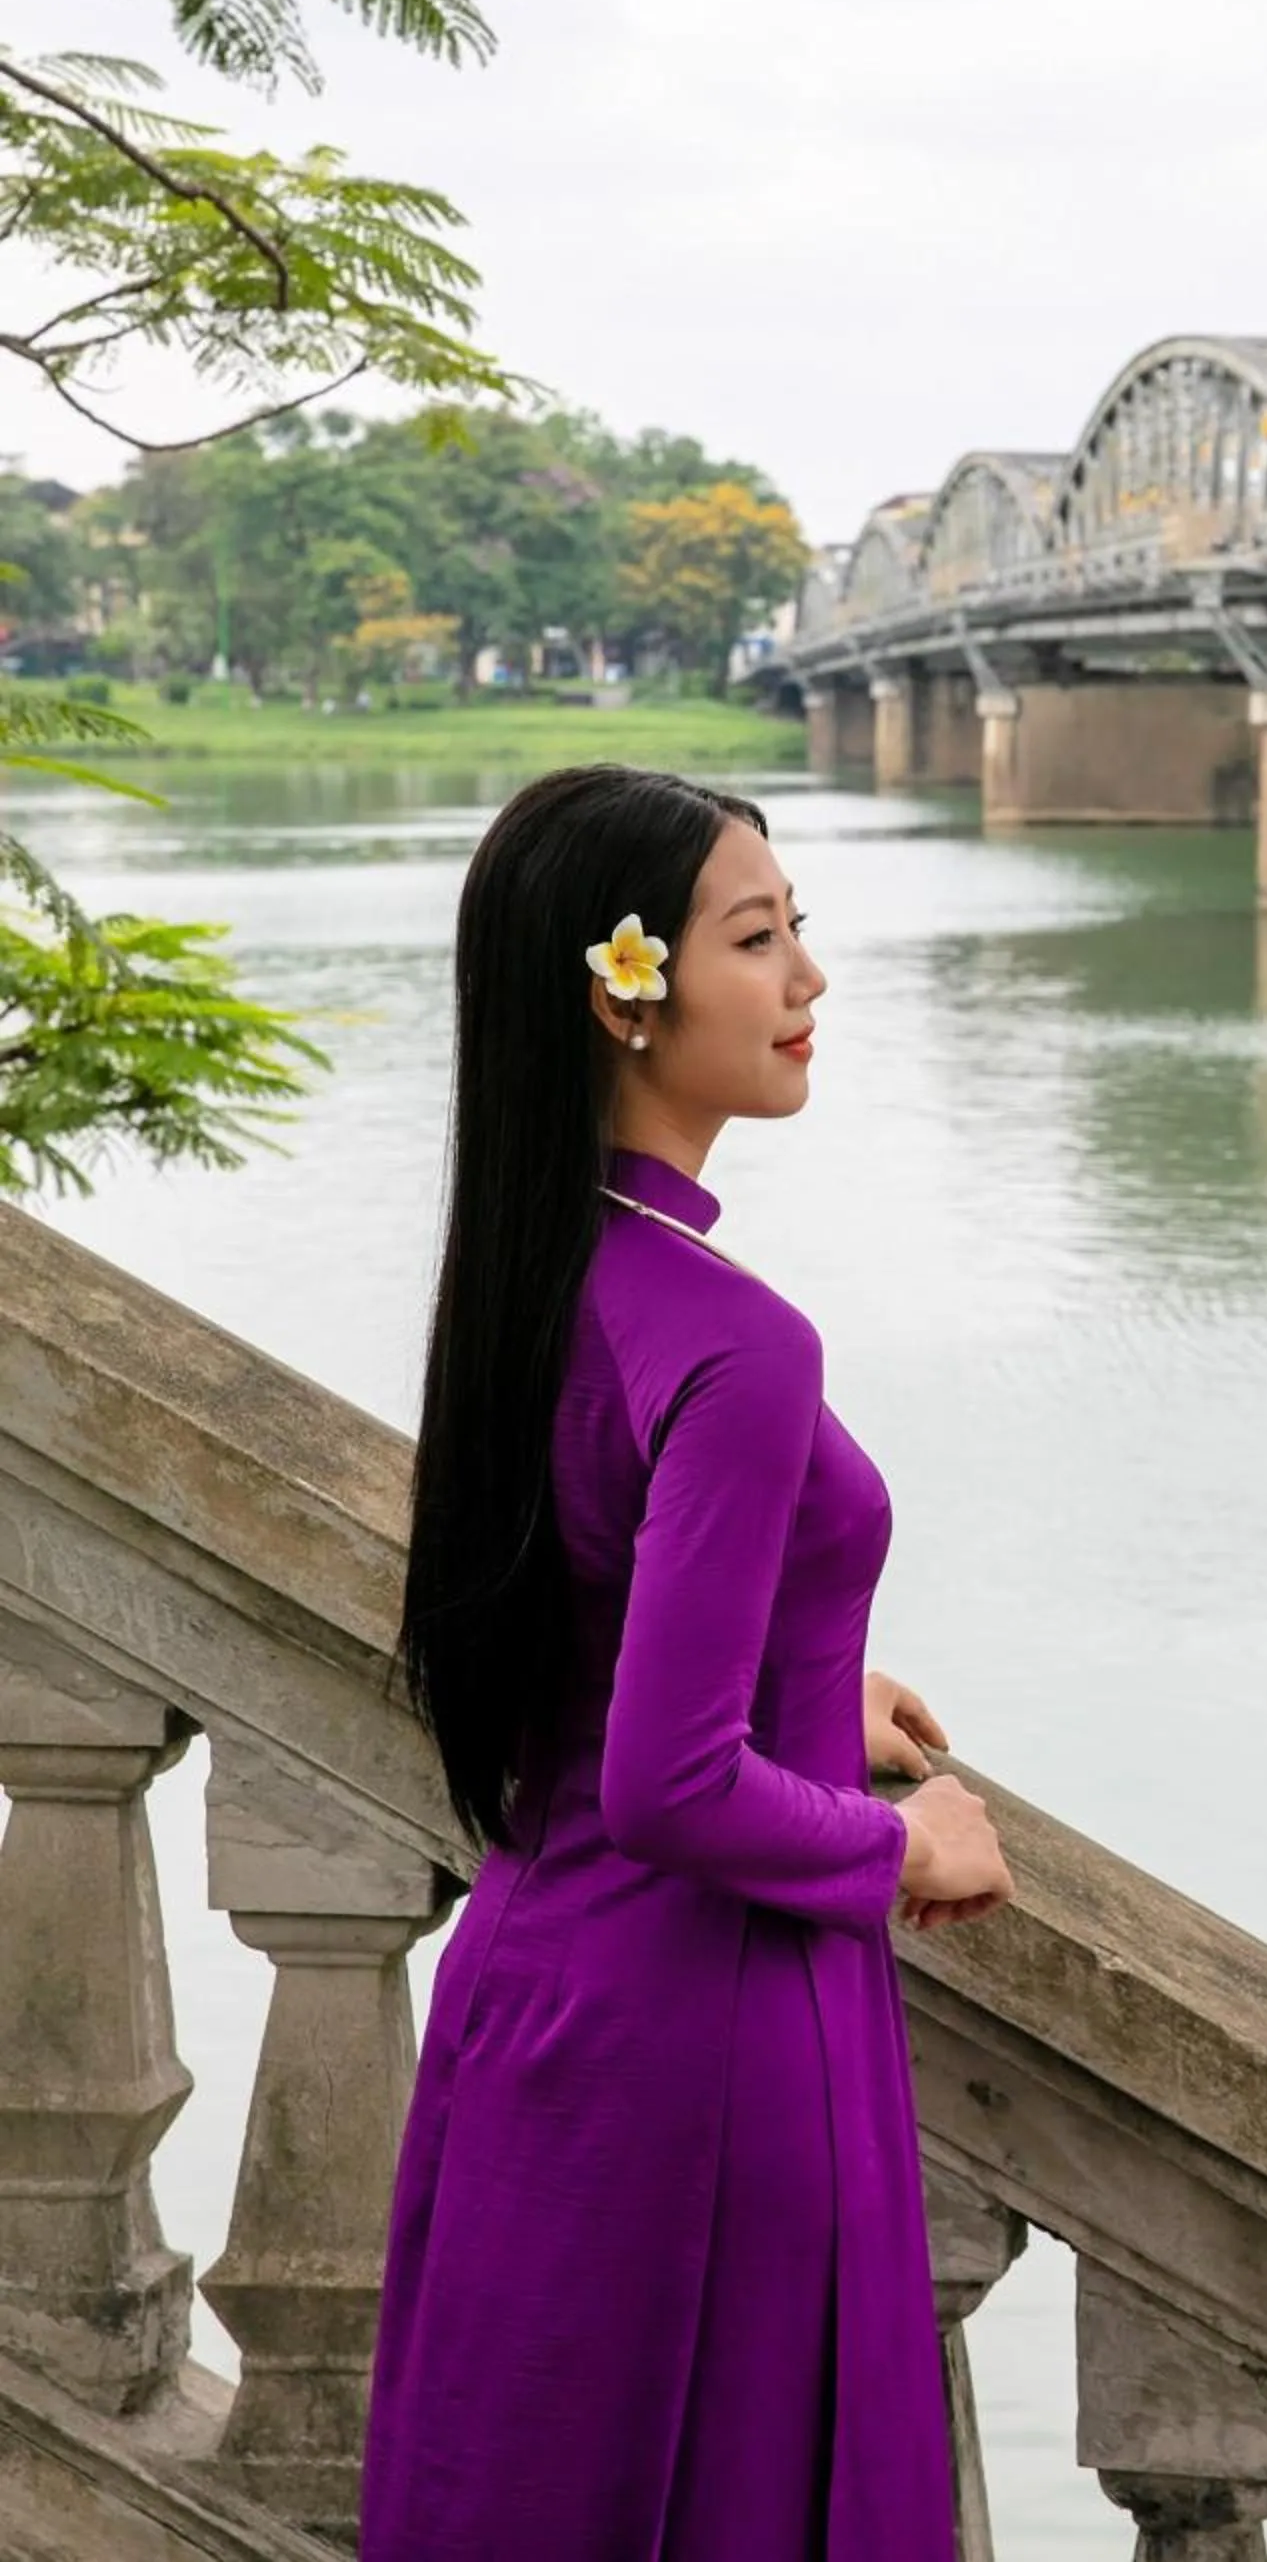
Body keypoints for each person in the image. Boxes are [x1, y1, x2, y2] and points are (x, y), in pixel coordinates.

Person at [359, 760, 1014, 2562]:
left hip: (531, 2003)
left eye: (800, 928)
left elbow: (578, 1606)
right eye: (758, 936)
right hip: (709, 2046)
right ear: (623, 992)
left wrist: (817, 1677)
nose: (807, 979)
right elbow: (668, 1780)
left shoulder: (530, 1271)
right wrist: (905, 1847)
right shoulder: (742, 1344)